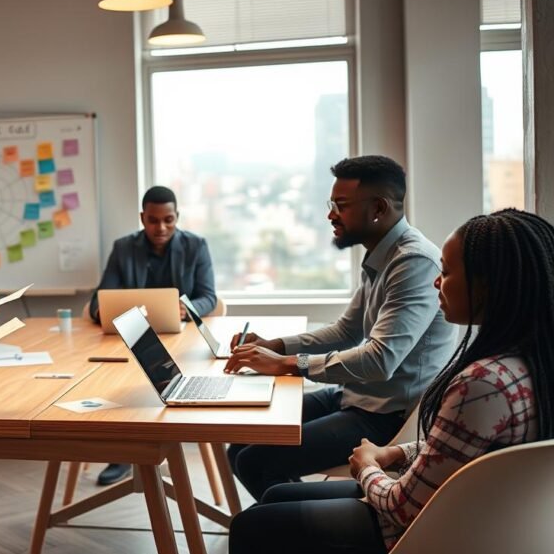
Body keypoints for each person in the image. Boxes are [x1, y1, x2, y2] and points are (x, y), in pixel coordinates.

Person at [229, 208, 553, 553]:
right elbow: (461, 449)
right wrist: (396, 452)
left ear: (487, 286)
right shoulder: (527, 363)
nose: (436, 282)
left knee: (252, 524)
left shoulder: (482, 385)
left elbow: (403, 507)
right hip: (463, 512)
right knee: (275, 492)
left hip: (422, 528)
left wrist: (367, 465)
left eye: (446, 271)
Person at [224, 156, 458, 502]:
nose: (330, 214)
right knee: (240, 446)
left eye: (341, 205)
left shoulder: (413, 262)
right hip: (358, 395)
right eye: (331, 204)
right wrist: (275, 346)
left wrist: (287, 365)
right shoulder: (382, 256)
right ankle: (294, 523)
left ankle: (313, 528)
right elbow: (346, 331)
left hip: (388, 416)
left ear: (378, 208)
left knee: (257, 462)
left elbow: (380, 361)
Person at [88, 185, 217, 485]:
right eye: (153, 220)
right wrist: (103, 312)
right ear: (142, 218)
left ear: (177, 217)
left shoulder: (196, 245)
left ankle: (161, 446)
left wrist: (187, 308)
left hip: (182, 337)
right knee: (117, 380)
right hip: (133, 339)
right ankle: (125, 454)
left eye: (169, 220)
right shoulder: (123, 248)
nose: (161, 228)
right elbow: (99, 301)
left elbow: (209, 297)